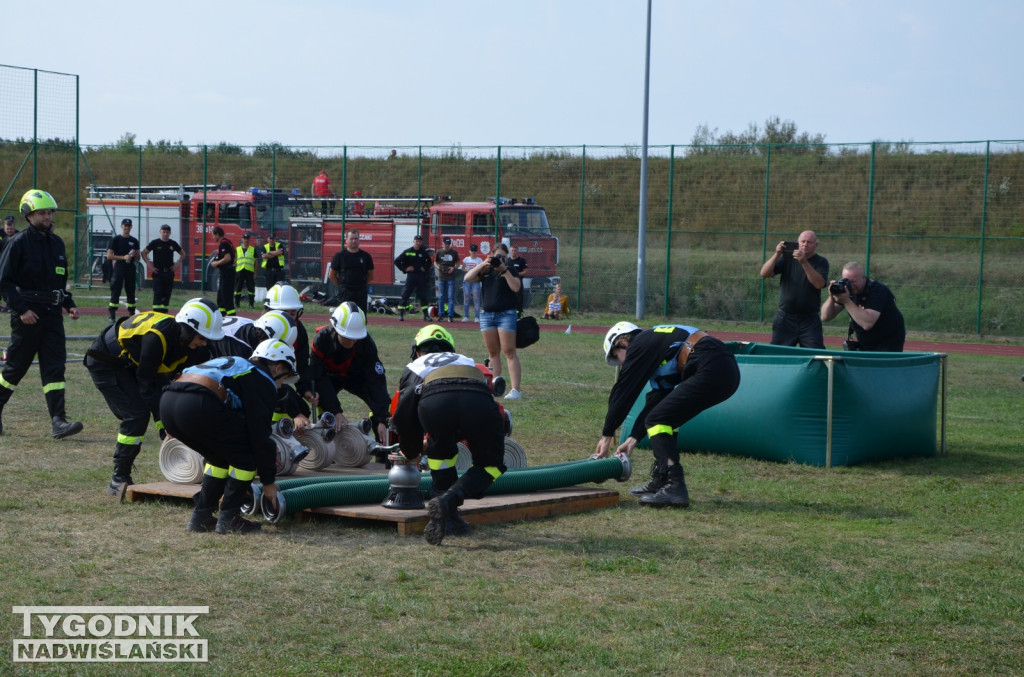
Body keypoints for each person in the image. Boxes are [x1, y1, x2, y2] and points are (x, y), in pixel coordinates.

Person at [593, 322, 741, 508]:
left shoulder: (640, 343)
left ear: (623, 342)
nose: (622, 362)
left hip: (711, 366)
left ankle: (675, 485)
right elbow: (656, 401)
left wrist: (607, 434)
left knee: (658, 420)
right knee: (663, 418)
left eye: (617, 356)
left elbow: (624, 389)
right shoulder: (658, 348)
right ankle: (662, 479)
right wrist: (633, 439)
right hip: (725, 369)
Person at [85, 299, 224, 495]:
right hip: (107, 361)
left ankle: (175, 456)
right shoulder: (156, 338)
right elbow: (146, 385)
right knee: (136, 414)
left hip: (138, 363)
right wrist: (167, 420)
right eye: (202, 337)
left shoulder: (191, 345)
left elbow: (178, 387)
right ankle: (119, 476)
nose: (204, 343)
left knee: (167, 404)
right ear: (187, 328)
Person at [161, 339, 298, 533]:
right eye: (283, 380)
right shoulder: (262, 378)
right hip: (198, 403)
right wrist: (268, 482)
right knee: (246, 457)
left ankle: (201, 516)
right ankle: (229, 518)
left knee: (219, 458)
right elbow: (259, 435)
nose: (281, 386)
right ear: (277, 368)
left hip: (168, 403)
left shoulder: (237, 364)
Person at [392, 324, 507, 546]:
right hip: (477, 401)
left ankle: (446, 510)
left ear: (417, 351)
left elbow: (405, 411)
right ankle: (448, 503)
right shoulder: (464, 359)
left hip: (436, 404)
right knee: (491, 465)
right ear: (450, 348)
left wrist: (411, 449)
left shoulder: (414, 366)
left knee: (439, 450)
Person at [0, 189, 84, 439]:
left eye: (50, 212)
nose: (48, 217)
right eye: (43, 213)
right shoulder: (18, 243)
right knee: (15, 369)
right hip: (28, 317)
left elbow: (60, 281)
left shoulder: (57, 243)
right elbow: (3, 282)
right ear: (29, 215)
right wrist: (22, 310)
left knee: (55, 370)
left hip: (52, 318)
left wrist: (69, 304)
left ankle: (59, 421)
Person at [307, 302, 390, 442]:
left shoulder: (366, 343)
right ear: (335, 329)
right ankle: (327, 442)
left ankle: (381, 447)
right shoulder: (321, 340)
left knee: (380, 409)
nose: (352, 341)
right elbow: (319, 377)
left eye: (355, 337)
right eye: (347, 336)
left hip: (357, 377)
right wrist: (335, 411)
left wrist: (383, 418)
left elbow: (376, 381)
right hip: (329, 378)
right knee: (325, 406)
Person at [464, 243, 522, 400]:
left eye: (503, 257)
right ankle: (495, 387)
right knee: (493, 352)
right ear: (492, 255)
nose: (500, 259)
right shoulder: (486, 270)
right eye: (498, 256)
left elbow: (516, 287)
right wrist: (484, 263)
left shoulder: (510, 270)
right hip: (487, 315)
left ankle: (516, 390)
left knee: (509, 351)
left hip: (506, 315)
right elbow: (467, 278)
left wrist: (503, 269)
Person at [759, 230, 829, 349]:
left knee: (815, 356)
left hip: (809, 320)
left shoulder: (821, 262)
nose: (805, 244)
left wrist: (804, 262)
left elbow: (819, 284)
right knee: (777, 353)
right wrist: (777, 254)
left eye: (809, 242)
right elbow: (764, 273)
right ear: (797, 243)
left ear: (816, 245)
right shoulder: (788, 259)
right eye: (803, 241)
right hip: (785, 318)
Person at [820, 261, 906, 352]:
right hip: (866, 343)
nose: (850, 285)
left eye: (853, 281)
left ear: (863, 278)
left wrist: (846, 301)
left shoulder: (877, 291)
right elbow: (825, 317)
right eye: (846, 281)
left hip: (888, 341)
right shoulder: (847, 291)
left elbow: (867, 323)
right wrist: (831, 297)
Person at [328, 229, 374, 313]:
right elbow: (331, 275)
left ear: (359, 240)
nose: (354, 241)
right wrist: (341, 285)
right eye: (351, 238)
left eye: (356, 238)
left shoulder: (366, 256)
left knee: (361, 315)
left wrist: (362, 284)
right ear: (346, 240)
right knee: (346, 315)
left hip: (361, 292)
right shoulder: (339, 256)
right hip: (345, 292)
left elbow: (371, 276)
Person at [141, 224, 183, 313]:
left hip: (169, 273)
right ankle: (156, 313)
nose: (165, 234)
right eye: (163, 232)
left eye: (167, 232)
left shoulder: (172, 243)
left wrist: (177, 264)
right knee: (158, 293)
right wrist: (150, 266)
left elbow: (183, 254)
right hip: (158, 273)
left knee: (167, 294)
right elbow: (144, 253)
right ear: (160, 232)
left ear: (170, 233)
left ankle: (164, 314)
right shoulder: (155, 243)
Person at [106, 218, 141, 323]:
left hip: (130, 267)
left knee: (130, 291)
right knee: (116, 290)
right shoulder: (116, 240)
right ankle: (112, 314)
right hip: (119, 267)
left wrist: (135, 254)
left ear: (131, 227)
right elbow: (109, 256)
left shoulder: (134, 241)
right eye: (125, 225)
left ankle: (131, 314)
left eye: (129, 226)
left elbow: (139, 258)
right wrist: (123, 257)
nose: (127, 227)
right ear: (121, 226)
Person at [393, 234, 432, 321]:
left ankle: (426, 315)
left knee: (423, 296)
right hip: (411, 276)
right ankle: (401, 314)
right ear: (413, 242)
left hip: (421, 277)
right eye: (416, 241)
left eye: (420, 241)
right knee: (405, 295)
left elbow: (429, 263)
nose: (418, 243)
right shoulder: (408, 251)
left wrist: (424, 268)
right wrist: (405, 269)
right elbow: (397, 261)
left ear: (421, 242)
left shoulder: (424, 252)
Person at [433, 237, 461, 322]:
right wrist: (438, 267)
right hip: (442, 277)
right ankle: (441, 314)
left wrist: (453, 268)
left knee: (450, 297)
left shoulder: (454, 252)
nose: (447, 246)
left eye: (448, 244)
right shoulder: (439, 252)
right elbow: (435, 262)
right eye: (445, 244)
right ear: (442, 244)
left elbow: (458, 263)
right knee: (441, 296)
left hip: (451, 277)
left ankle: (450, 315)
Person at [210, 226, 235, 316]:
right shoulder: (227, 242)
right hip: (225, 273)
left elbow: (227, 258)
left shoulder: (223, 244)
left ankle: (232, 317)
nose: (213, 237)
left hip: (227, 274)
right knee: (220, 297)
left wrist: (216, 263)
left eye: (213, 235)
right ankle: (222, 314)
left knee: (226, 297)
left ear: (217, 234)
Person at [234, 232, 257, 310]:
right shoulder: (237, 249)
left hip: (249, 271)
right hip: (240, 270)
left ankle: (251, 304)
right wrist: (236, 270)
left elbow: (256, 262)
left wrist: (255, 273)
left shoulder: (253, 249)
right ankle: (236, 303)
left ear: (249, 240)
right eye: (244, 238)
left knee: (251, 288)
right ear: (242, 239)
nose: (246, 240)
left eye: (247, 239)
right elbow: (235, 260)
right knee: (238, 288)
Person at [461, 243, 483, 322]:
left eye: (475, 251)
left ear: (477, 251)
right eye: (472, 250)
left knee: (476, 299)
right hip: (467, 281)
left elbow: (481, 270)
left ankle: (477, 316)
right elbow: (463, 269)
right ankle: (466, 316)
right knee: (466, 298)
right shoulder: (466, 259)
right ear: (469, 251)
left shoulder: (479, 260)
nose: (473, 252)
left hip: (476, 281)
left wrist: (475, 272)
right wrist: (469, 271)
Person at [507, 245, 529, 317]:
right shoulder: (507, 261)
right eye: (512, 250)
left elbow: (525, 272)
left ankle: (518, 313)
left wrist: (516, 274)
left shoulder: (521, 260)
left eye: (515, 250)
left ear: (517, 251)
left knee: (518, 299)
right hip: (508, 284)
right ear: (510, 251)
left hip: (518, 284)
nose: (513, 252)